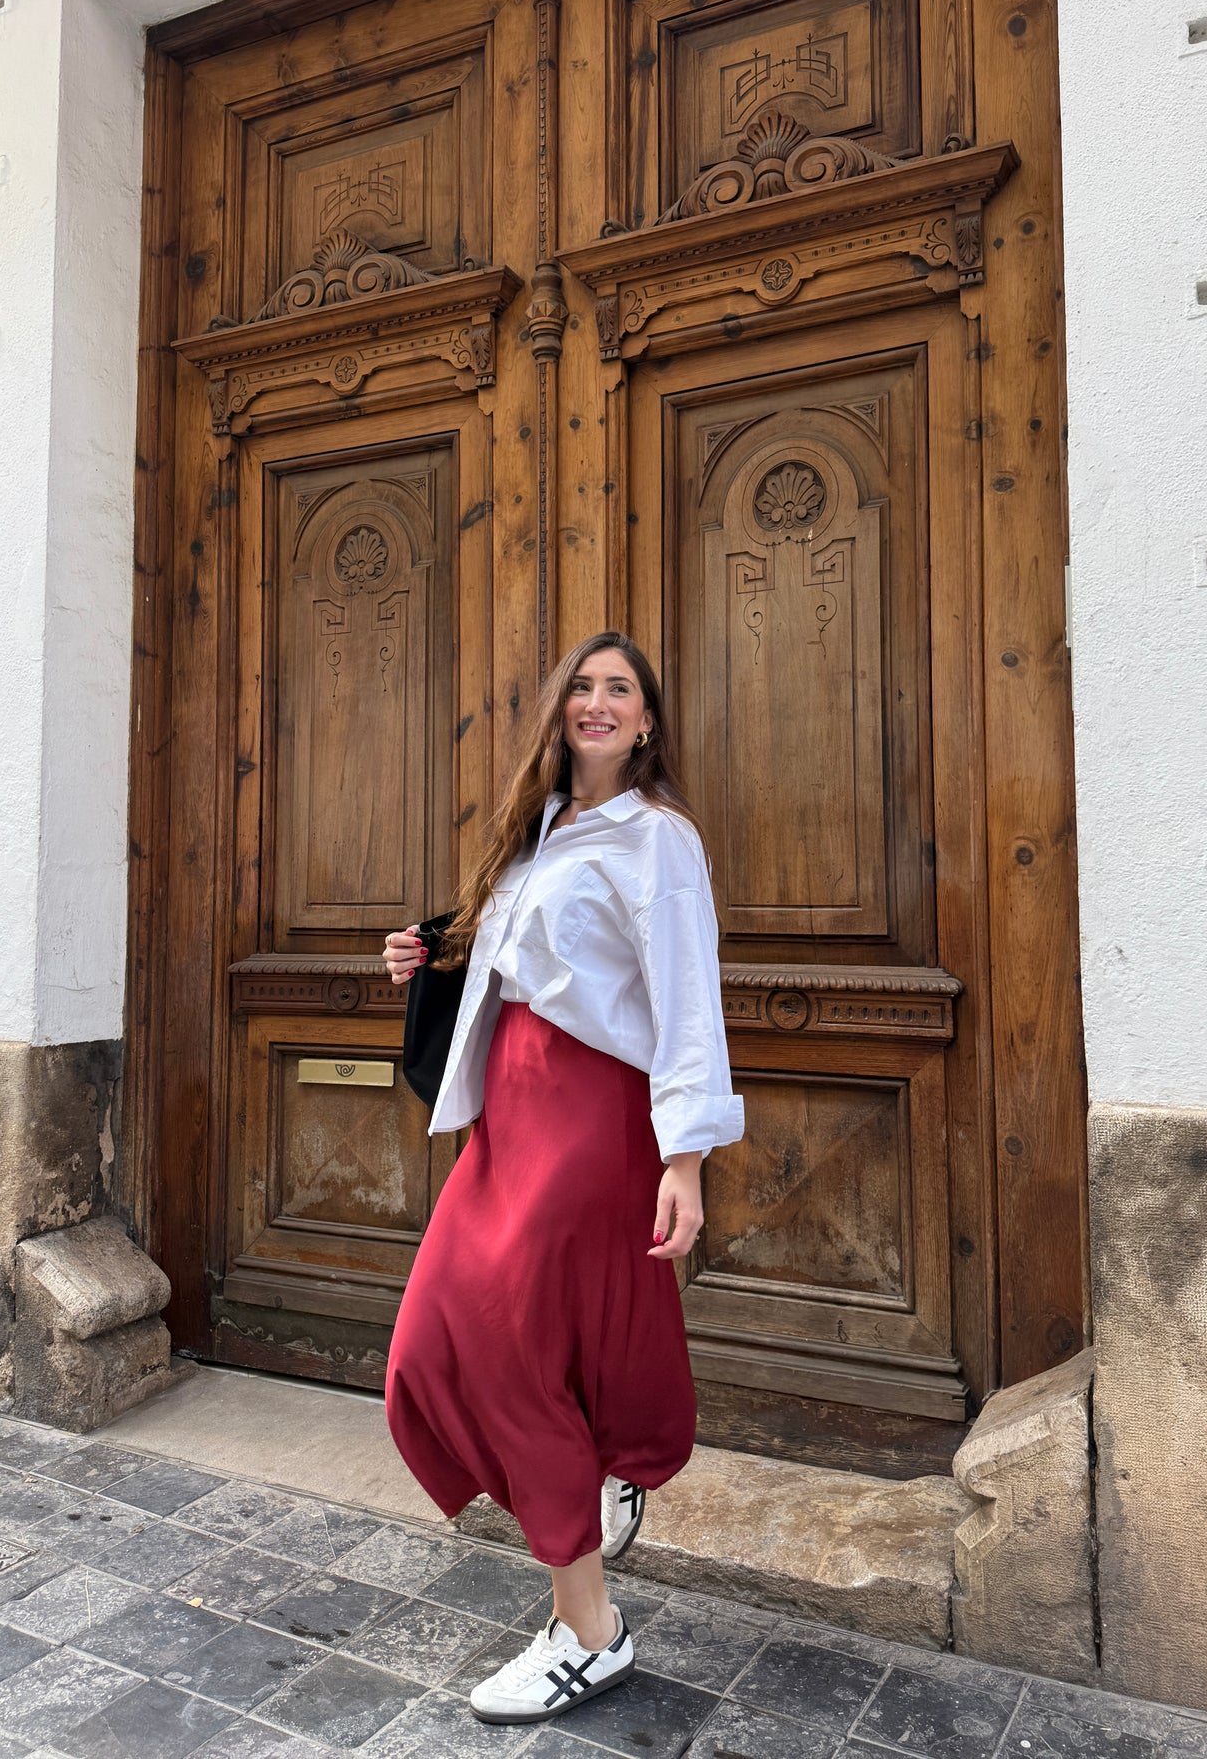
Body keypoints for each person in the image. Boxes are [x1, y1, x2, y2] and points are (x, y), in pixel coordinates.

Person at [381, 629, 744, 1726]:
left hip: (589, 1118)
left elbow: (686, 997)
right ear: (559, 711)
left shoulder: (658, 839)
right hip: (511, 1111)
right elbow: (529, 963)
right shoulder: (539, 834)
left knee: (510, 1350)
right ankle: (599, 1467)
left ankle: (588, 1628)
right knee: (431, 1346)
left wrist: (684, 1156)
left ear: (646, 720)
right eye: (580, 687)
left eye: (618, 689)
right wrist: (433, 951)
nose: (596, 702)